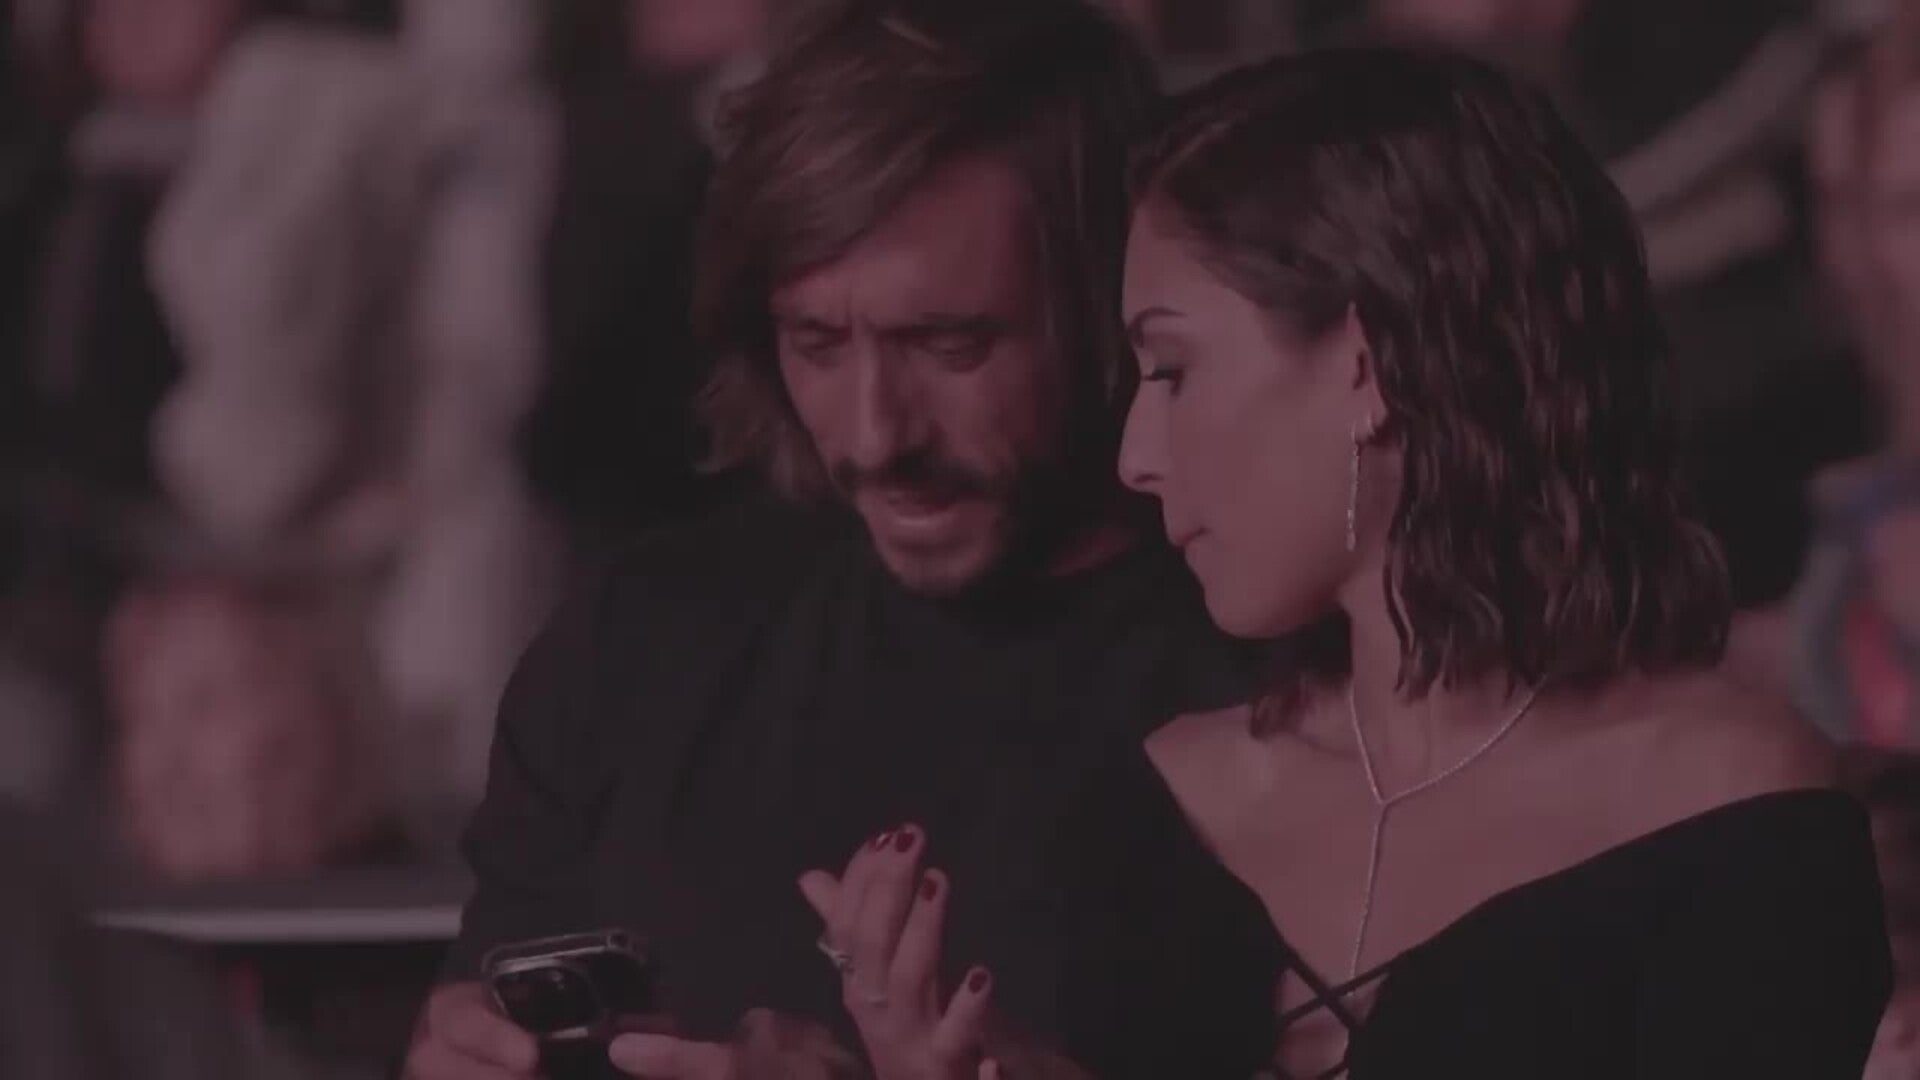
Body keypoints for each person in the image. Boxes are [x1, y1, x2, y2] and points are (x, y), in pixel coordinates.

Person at [820, 47, 1894, 1079]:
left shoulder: (1727, 806)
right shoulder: (1150, 804)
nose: (1136, 458)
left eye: (1173, 369)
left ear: (1367, 363)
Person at [404, 1, 1281, 1078]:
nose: (875, 436)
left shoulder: (1282, 680)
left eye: (949, 345)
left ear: (1112, 310)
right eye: (817, 341)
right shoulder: (636, 646)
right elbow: (488, 1009)